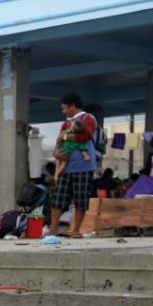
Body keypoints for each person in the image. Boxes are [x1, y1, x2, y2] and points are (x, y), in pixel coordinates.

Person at [49, 92, 97, 238]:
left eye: (64, 108)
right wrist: (56, 154)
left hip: (84, 167)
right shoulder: (66, 123)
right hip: (67, 167)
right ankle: (53, 229)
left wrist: (63, 136)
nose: (63, 111)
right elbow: (58, 145)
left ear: (72, 106)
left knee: (81, 200)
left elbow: (86, 135)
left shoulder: (88, 118)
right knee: (59, 199)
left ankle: (76, 229)